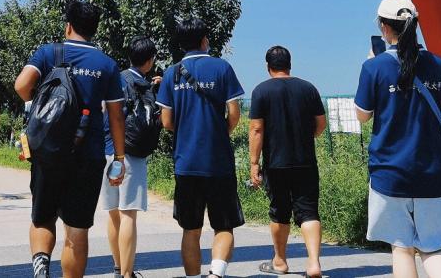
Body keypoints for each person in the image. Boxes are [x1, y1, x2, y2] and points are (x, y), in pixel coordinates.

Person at [14, 0, 127, 278]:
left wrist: (39, 105)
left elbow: (21, 85)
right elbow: (116, 116)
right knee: (77, 230)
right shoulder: (106, 65)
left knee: (43, 217)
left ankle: (41, 263)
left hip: (48, 151)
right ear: (95, 29)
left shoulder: (48, 53)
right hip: (88, 156)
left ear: (68, 26)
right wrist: (119, 158)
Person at [354, 0, 441, 278]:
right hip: (433, 170)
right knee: (433, 249)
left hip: (391, 171)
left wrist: (372, 65)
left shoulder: (374, 67)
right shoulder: (439, 66)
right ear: (415, 25)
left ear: (384, 27)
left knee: (402, 247)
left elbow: (363, 116)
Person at [156, 18, 245, 278]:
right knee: (224, 226)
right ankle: (216, 273)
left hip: (186, 162)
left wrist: (187, 131)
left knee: (190, 229)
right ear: (205, 40)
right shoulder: (222, 67)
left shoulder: (172, 73)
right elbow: (234, 114)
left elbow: (166, 121)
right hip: (218, 162)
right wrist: (220, 132)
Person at [248, 46, 326, 277]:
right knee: (309, 211)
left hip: (276, 163)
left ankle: (280, 262)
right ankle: (314, 264)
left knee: (279, 212)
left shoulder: (261, 91)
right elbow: (321, 124)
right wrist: (306, 137)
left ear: (268, 66)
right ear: (290, 64)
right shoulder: (308, 88)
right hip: (305, 161)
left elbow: (256, 129)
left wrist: (254, 163)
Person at [101, 36, 162, 278]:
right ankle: (127, 274)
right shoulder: (144, 85)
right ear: (149, 60)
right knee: (128, 215)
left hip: (107, 152)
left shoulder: (113, 79)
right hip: (130, 155)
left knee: (113, 212)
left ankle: (118, 268)